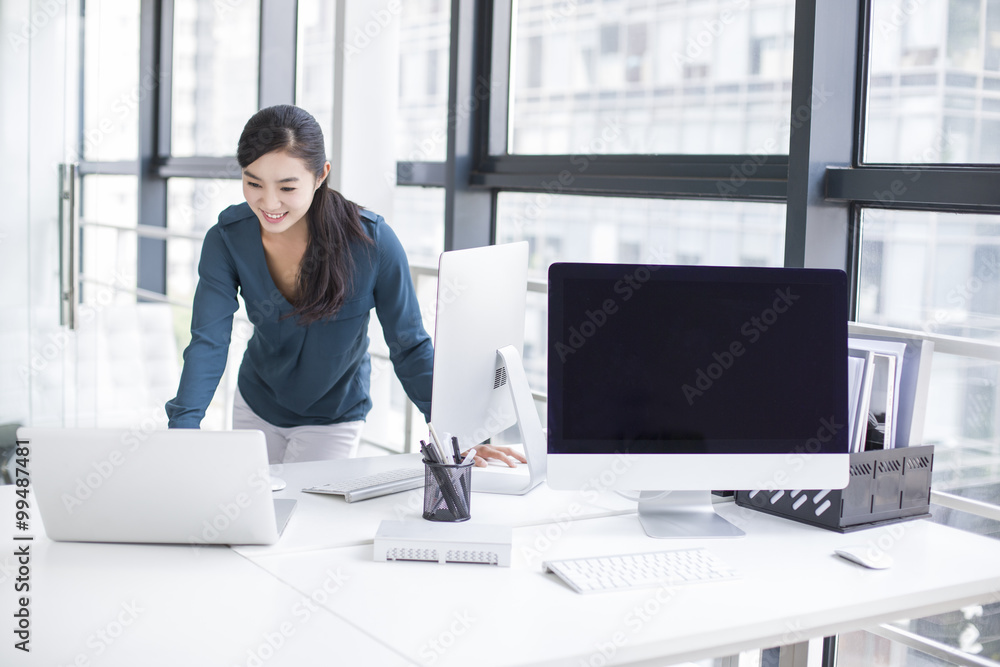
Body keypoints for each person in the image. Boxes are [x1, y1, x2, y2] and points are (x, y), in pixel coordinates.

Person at [166, 104, 525, 468]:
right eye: (253, 183)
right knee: (255, 512)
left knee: (307, 517)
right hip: (256, 403)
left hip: (333, 416)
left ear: (321, 175)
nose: (269, 203)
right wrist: (183, 429)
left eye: (287, 186)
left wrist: (457, 435)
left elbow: (409, 345)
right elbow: (209, 341)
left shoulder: (373, 242)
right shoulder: (227, 239)